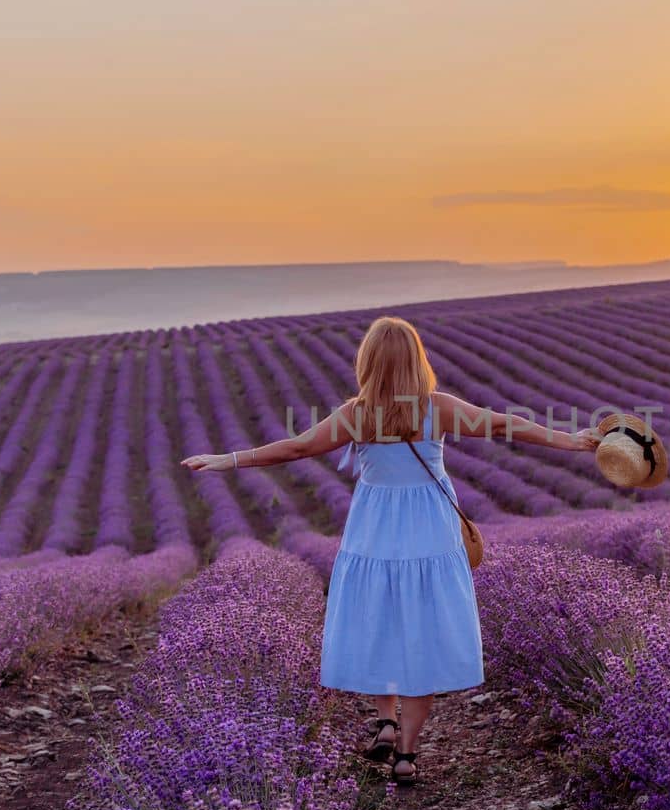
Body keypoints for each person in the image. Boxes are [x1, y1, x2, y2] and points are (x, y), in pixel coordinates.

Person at [182, 315, 600, 783]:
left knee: (379, 621)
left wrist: (230, 460)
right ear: (417, 361)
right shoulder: (437, 408)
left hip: (374, 532)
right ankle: (406, 753)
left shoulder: (358, 414)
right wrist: (570, 441)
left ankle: (384, 721)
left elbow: (297, 449)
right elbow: (504, 425)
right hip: (429, 534)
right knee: (421, 631)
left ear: (368, 363)